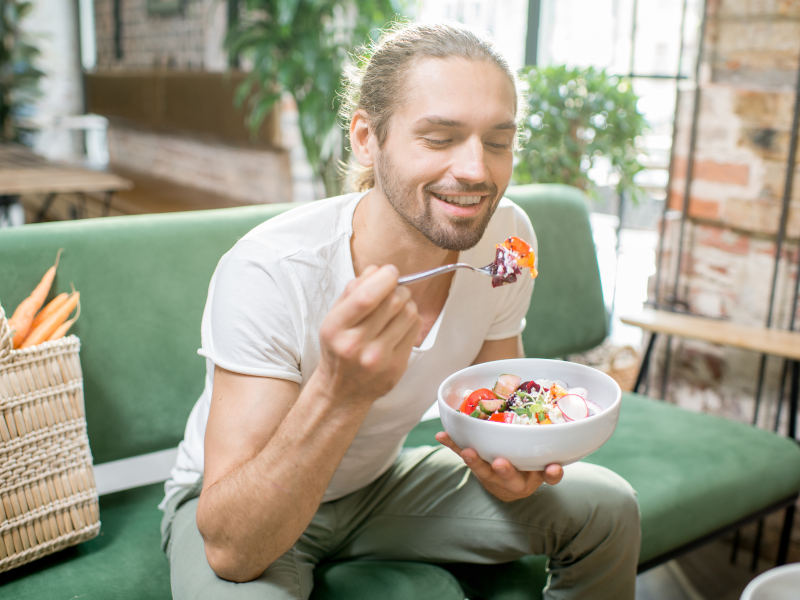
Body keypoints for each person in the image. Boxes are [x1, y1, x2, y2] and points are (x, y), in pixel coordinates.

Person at [159, 22, 640, 600]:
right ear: (367, 137)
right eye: (440, 138)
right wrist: (341, 391)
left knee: (608, 507)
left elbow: (498, 397)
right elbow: (233, 550)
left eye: (497, 141)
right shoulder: (271, 269)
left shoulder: (507, 239)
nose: (477, 171)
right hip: (247, 503)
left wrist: (513, 463)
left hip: (377, 484)